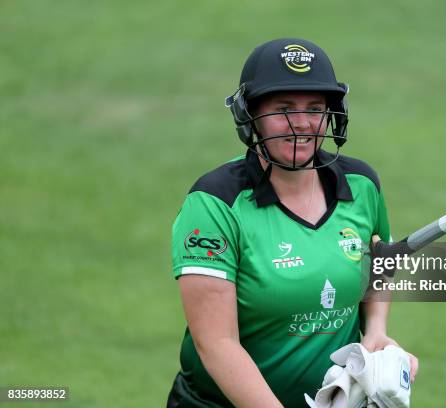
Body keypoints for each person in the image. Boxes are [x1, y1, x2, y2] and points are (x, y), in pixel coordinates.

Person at [167, 38, 418, 407]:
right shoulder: (214, 203)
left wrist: (377, 331)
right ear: (249, 114)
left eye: (315, 108)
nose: (301, 124)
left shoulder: (362, 185)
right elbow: (217, 344)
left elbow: (380, 263)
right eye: (284, 108)